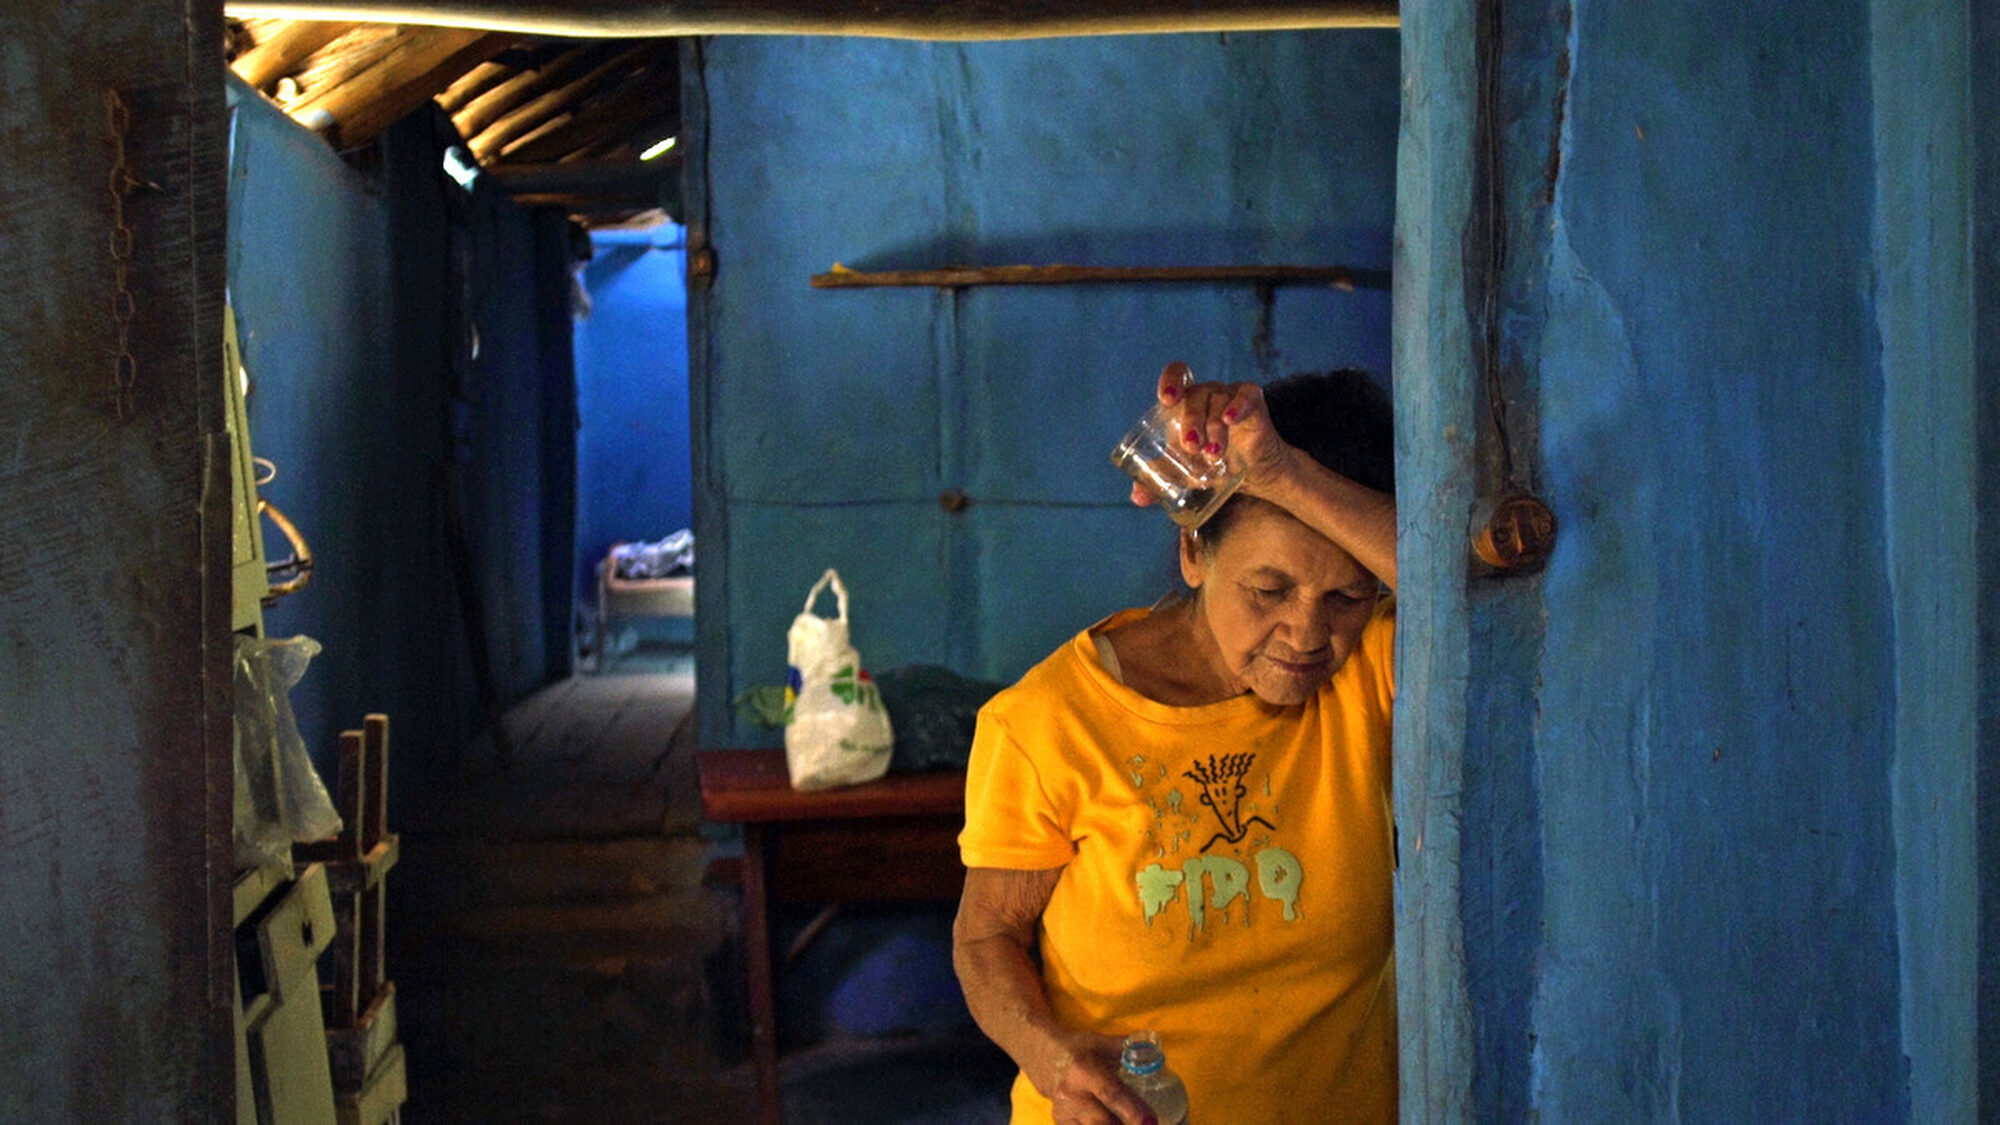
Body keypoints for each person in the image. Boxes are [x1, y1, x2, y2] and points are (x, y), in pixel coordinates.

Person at [953, 361, 1398, 1124]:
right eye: (1268, 590)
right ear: (1194, 552)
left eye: (1348, 597)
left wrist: (1284, 475)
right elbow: (985, 934)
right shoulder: (1047, 724)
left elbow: (1474, 589)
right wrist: (1054, 1057)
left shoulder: (1368, 673)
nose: (1307, 633)